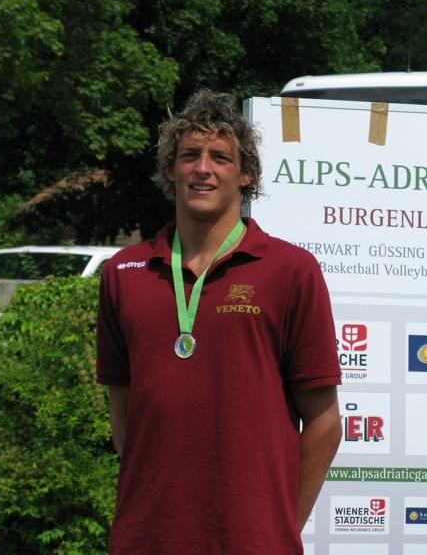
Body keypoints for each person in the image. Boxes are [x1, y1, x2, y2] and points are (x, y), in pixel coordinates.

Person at [96, 90, 342, 554]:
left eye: (220, 157)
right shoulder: (124, 272)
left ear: (246, 174)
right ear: (171, 170)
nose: (202, 168)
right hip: (146, 538)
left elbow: (324, 423)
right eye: (189, 155)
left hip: (253, 540)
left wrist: (280, 527)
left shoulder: (291, 271)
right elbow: (123, 411)